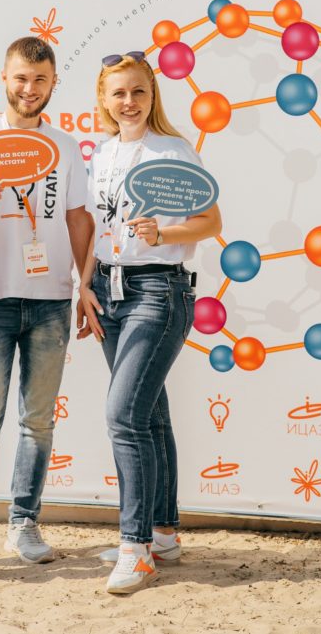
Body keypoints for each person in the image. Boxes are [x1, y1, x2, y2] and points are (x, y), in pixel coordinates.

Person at [0, 37, 93, 582]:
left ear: (53, 83)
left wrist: (85, 284)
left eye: (40, 79)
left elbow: (78, 217)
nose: (30, 89)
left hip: (51, 301)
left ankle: (24, 524)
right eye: (21, 78)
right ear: (3, 78)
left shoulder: (66, 145)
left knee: (37, 424)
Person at [77, 51, 222, 594]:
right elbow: (95, 228)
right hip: (107, 291)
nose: (129, 101)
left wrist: (164, 234)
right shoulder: (101, 154)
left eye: (138, 91)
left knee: (124, 417)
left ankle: (134, 549)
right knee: (150, 415)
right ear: (103, 99)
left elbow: (211, 220)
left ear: (152, 94)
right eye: (118, 92)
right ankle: (162, 534)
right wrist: (83, 287)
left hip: (158, 292)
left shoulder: (174, 150)